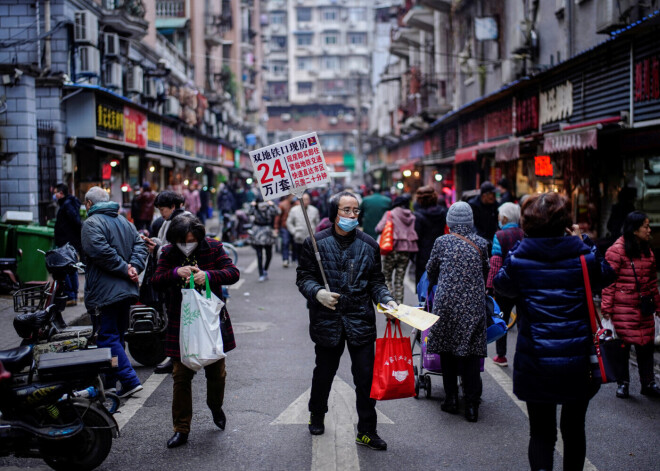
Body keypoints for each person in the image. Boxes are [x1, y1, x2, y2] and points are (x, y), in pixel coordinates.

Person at [494, 192, 615, 471]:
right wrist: (584, 239)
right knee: (574, 429)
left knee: (541, 433)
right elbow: (607, 274)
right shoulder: (582, 254)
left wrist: (519, 248)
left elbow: (503, 286)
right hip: (577, 360)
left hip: (535, 360)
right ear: (565, 223)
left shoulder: (520, 258)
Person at [296, 191, 397, 451]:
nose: (352, 215)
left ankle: (367, 431)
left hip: (360, 320)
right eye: (346, 210)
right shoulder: (314, 243)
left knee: (365, 379)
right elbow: (304, 277)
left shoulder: (369, 244)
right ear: (334, 213)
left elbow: (376, 282)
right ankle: (316, 414)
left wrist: (387, 300)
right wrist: (317, 292)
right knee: (324, 374)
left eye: (355, 211)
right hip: (327, 320)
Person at [151, 214, 240, 448]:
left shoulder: (213, 247)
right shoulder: (169, 252)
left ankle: (215, 406)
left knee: (217, 373)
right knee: (181, 377)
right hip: (182, 323)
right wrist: (174, 274)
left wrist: (208, 275)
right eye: (183, 241)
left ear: (199, 238)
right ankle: (181, 428)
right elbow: (156, 281)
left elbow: (233, 272)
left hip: (210, 321)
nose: (187, 244)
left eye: (191, 240)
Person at [81, 186, 148, 398]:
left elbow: (101, 252)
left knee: (107, 337)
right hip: (125, 289)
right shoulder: (124, 222)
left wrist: (125, 268)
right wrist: (133, 267)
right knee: (116, 337)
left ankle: (129, 380)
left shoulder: (91, 223)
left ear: (89, 204)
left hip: (105, 292)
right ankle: (110, 383)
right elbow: (140, 246)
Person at [425, 202, 489, 423]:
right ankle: (472, 406)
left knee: (447, 351)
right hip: (472, 305)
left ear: (449, 222)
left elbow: (431, 270)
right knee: (471, 355)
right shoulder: (481, 243)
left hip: (446, 304)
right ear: (470, 221)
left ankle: (450, 399)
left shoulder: (441, 242)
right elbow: (485, 270)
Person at [601, 210, 660, 398]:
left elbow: (652, 282)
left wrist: (657, 305)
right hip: (623, 308)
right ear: (635, 229)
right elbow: (609, 282)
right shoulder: (616, 251)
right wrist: (607, 308)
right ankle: (623, 383)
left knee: (646, 346)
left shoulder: (647, 250)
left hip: (644, 307)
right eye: (646, 226)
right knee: (622, 347)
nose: (649, 230)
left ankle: (648, 383)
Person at [145, 190, 189, 375]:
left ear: (173, 206)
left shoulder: (182, 221)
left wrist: (157, 249)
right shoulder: (170, 221)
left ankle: (178, 359)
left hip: (179, 278)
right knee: (175, 320)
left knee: (178, 320)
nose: (161, 213)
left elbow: (179, 249)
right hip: (172, 277)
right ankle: (177, 358)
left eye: (163, 209)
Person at [486, 202, 524, 367]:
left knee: (501, 320)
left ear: (505, 218)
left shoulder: (499, 235)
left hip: (503, 285)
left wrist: (490, 285)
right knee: (523, 321)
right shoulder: (525, 234)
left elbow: (495, 262)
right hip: (523, 284)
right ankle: (521, 356)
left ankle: (501, 356)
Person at [375, 194, 418, 304]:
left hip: (391, 249)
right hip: (406, 251)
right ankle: (399, 307)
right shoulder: (412, 216)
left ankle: (390, 305)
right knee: (399, 281)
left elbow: (379, 228)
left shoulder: (390, 214)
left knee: (387, 278)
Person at [53, 183, 82, 305]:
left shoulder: (67, 205)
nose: (54, 195)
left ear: (60, 193)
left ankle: (71, 295)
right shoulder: (67, 204)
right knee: (70, 268)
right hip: (68, 241)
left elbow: (75, 222)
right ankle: (72, 295)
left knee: (68, 268)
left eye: (55, 192)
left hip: (67, 242)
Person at [413, 186, 447, 287]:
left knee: (424, 285)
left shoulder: (418, 216)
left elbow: (416, 236)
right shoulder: (443, 212)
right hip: (442, 250)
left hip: (423, 253)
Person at [248, 196, 280, 282]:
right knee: (259, 255)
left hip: (267, 232)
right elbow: (248, 212)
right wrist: (252, 205)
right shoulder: (255, 208)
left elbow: (278, 212)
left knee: (269, 254)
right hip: (258, 232)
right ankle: (261, 273)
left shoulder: (269, 208)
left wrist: (272, 204)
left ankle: (265, 270)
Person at [287, 193, 320, 259]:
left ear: (309, 200)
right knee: (300, 257)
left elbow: (317, 223)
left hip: (311, 237)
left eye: (307, 199)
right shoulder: (294, 210)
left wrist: (315, 234)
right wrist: (294, 232)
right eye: (303, 199)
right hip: (299, 237)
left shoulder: (314, 210)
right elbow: (289, 222)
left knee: (310, 257)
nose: (305, 201)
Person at [275, 194, 295, 267]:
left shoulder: (297, 204)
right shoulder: (282, 204)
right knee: (285, 243)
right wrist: (276, 227)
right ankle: (285, 259)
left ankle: (294, 259)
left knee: (295, 243)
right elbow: (278, 217)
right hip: (285, 227)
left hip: (295, 227)